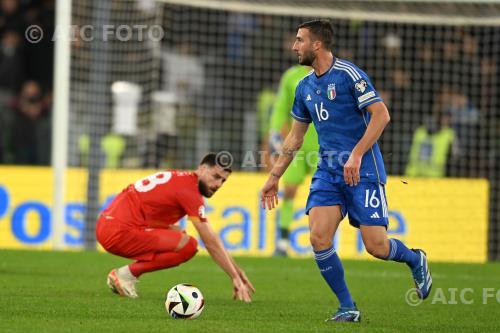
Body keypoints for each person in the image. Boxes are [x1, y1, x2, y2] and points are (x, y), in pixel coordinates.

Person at [261, 20, 432, 323]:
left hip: (363, 170)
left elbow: (381, 115)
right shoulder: (303, 86)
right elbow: (295, 137)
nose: (294, 46)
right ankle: (347, 307)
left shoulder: (349, 75)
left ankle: (414, 258)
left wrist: (355, 154)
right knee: (318, 237)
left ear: (317, 45)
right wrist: (274, 176)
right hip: (328, 172)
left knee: (377, 247)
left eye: (300, 40)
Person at [96, 153, 255, 302]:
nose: (218, 184)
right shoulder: (189, 191)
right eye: (216, 177)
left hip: (108, 225)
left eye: (223, 181)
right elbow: (210, 242)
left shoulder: (179, 178)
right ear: (202, 168)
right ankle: (126, 275)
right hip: (118, 231)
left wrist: (238, 271)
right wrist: (233, 275)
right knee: (188, 246)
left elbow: (212, 237)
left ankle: (124, 275)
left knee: (177, 232)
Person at [268, 64, 319, 256]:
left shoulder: (331, 74)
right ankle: (282, 242)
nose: (297, 47)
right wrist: (274, 130)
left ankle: (323, 243)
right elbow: (281, 107)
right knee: (289, 189)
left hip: (323, 146)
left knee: (323, 194)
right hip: (297, 143)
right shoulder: (291, 76)